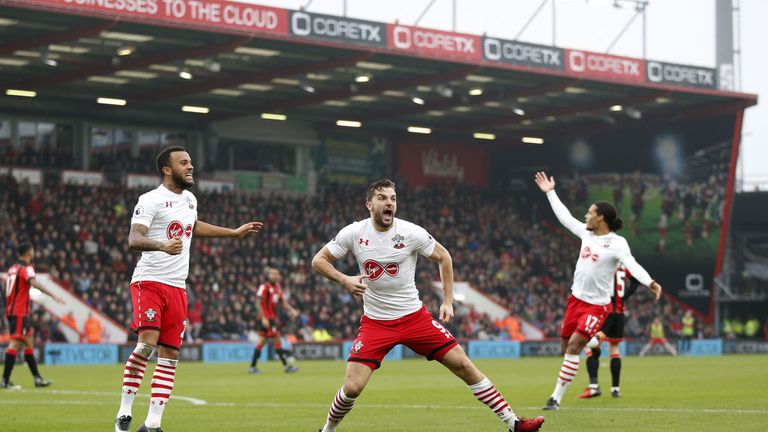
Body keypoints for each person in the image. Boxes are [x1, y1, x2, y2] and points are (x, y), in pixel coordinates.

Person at [311, 178, 544, 432]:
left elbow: (444, 256)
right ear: (369, 204)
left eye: (393, 198)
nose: (389, 203)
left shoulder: (410, 232)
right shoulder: (354, 233)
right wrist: (344, 279)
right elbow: (318, 260)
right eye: (382, 198)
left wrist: (447, 300)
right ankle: (328, 430)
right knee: (353, 387)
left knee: (463, 365)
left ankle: (514, 424)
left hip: (414, 318)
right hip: (376, 323)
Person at [114, 146, 263, 432]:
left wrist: (232, 232)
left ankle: (153, 424)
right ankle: (124, 411)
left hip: (177, 287)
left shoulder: (190, 200)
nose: (190, 167)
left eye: (191, 162)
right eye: (183, 163)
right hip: (150, 281)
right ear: (167, 170)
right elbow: (134, 238)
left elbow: (192, 226)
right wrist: (162, 245)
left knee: (170, 355)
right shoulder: (150, 199)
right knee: (146, 344)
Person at [534, 171, 662, 411]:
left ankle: (555, 399)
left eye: (590, 212)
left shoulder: (617, 243)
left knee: (572, 347)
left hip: (597, 305)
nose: (586, 216)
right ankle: (592, 343)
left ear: (600, 217)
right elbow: (565, 218)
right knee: (565, 349)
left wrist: (650, 282)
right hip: (575, 300)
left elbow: (631, 264)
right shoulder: (586, 232)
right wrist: (550, 192)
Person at [2, 242, 65, 390]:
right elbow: (33, 282)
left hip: (13, 310)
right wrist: (53, 295)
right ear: (29, 252)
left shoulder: (12, 269)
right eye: (33, 250)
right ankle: (4, 381)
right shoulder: (26, 268)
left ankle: (37, 379)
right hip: (19, 311)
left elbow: (6, 288)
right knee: (15, 344)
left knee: (28, 342)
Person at [578, 265, 641, 399]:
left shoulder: (603, 263)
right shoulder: (624, 266)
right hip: (620, 313)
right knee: (614, 349)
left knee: (589, 345)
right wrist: (623, 296)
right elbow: (636, 281)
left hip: (604, 312)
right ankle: (615, 389)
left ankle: (594, 386)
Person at [249, 268, 301, 374]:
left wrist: (292, 310)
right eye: (271, 274)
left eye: (275, 274)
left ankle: (253, 367)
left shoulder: (277, 288)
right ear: (268, 276)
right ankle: (286, 366)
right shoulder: (264, 287)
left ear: (279, 276)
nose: (273, 276)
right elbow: (257, 303)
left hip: (272, 319)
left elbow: (283, 302)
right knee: (276, 340)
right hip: (266, 319)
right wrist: (263, 318)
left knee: (262, 342)